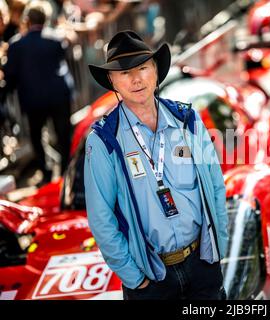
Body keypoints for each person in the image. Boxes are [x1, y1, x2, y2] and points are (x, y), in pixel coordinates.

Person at [84, 30, 228, 300]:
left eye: (143, 68)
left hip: (202, 265)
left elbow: (216, 186)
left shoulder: (188, 119)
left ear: (156, 72)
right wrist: (134, 279)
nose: (136, 79)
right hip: (151, 279)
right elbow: (101, 219)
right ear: (112, 81)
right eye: (125, 73)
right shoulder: (103, 140)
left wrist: (219, 245)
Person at [3, 2, 73, 183]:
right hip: (58, 96)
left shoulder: (17, 45)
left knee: (37, 137)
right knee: (63, 135)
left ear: (27, 20)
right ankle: (66, 171)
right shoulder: (56, 39)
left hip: (34, 99)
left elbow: (10, 75)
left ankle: (47, 172)